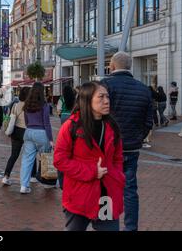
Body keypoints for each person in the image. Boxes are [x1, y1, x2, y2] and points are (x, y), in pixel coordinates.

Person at [54, 81, 125, 231]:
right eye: (101, 97)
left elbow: (117, 157)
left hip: (106, 196)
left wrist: (117, 176)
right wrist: (92, 171)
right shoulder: (71, 126)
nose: (106, 101)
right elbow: (60, 160)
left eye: (107, 96)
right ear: (87, 100)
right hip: (80, 196)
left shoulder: (112, 126)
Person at [101, 51, 153, 231]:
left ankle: (106, 225)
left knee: (105, 187)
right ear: (129, 66)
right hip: (131, 147)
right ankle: (131, 228)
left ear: (112, 66)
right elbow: (148, 121)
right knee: (130, 190)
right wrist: (138, 137)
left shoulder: (105, 86)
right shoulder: (143, 89)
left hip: (108, 148)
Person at [19, 82, 53, 194]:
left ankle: (24, 185)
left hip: (28, 132)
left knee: (27, 160)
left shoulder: (27, 104)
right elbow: (47, 123)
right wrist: (51, 139)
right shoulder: (44, 105)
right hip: (42, 133)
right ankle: (47, 183)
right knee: (45, 158)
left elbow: (27, 121)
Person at [2, 87, 30, 186]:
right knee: (30, 155)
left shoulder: (15, 105)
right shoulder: (30, 106)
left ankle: (6, 176)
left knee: (13, 155)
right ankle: (32, 176)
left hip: (16, 131)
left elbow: (11, 118)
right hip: (27, 132)